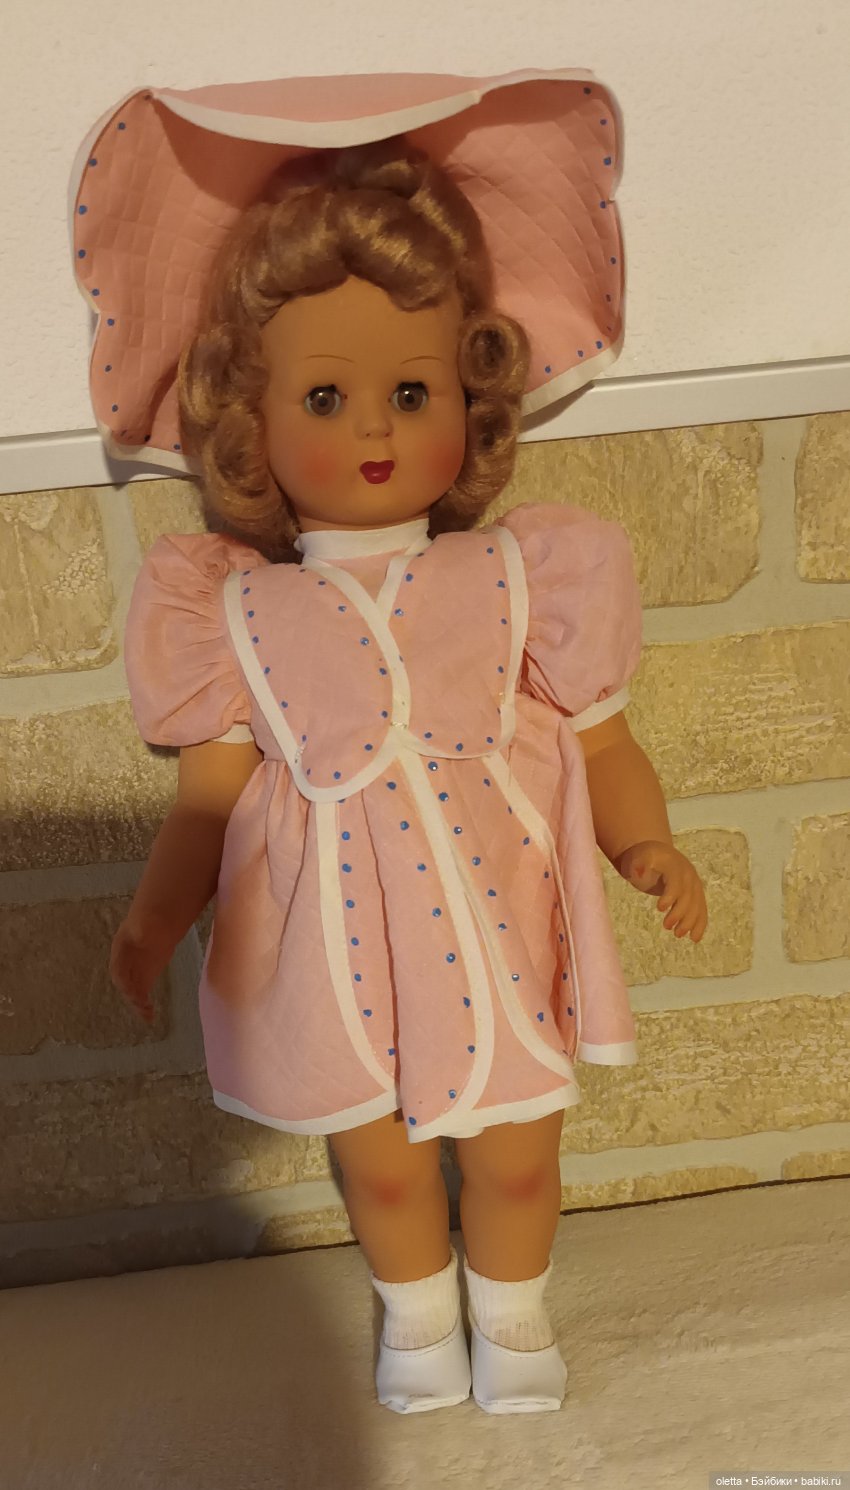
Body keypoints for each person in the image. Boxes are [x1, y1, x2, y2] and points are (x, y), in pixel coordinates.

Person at [109, 139, 707, 1416]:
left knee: (516, 1152)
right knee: (378, 1165)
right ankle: (419, 1315)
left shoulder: (520, 575)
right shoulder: (234, 609)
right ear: (253, 423)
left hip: (500, 929)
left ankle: (515, 1309)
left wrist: (643, 843)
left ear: (470, 399)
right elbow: (209, 797)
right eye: (325, 396)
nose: (374, 425)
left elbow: (600, 740)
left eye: (412, 389)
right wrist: (159, 914)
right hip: (328, 955)